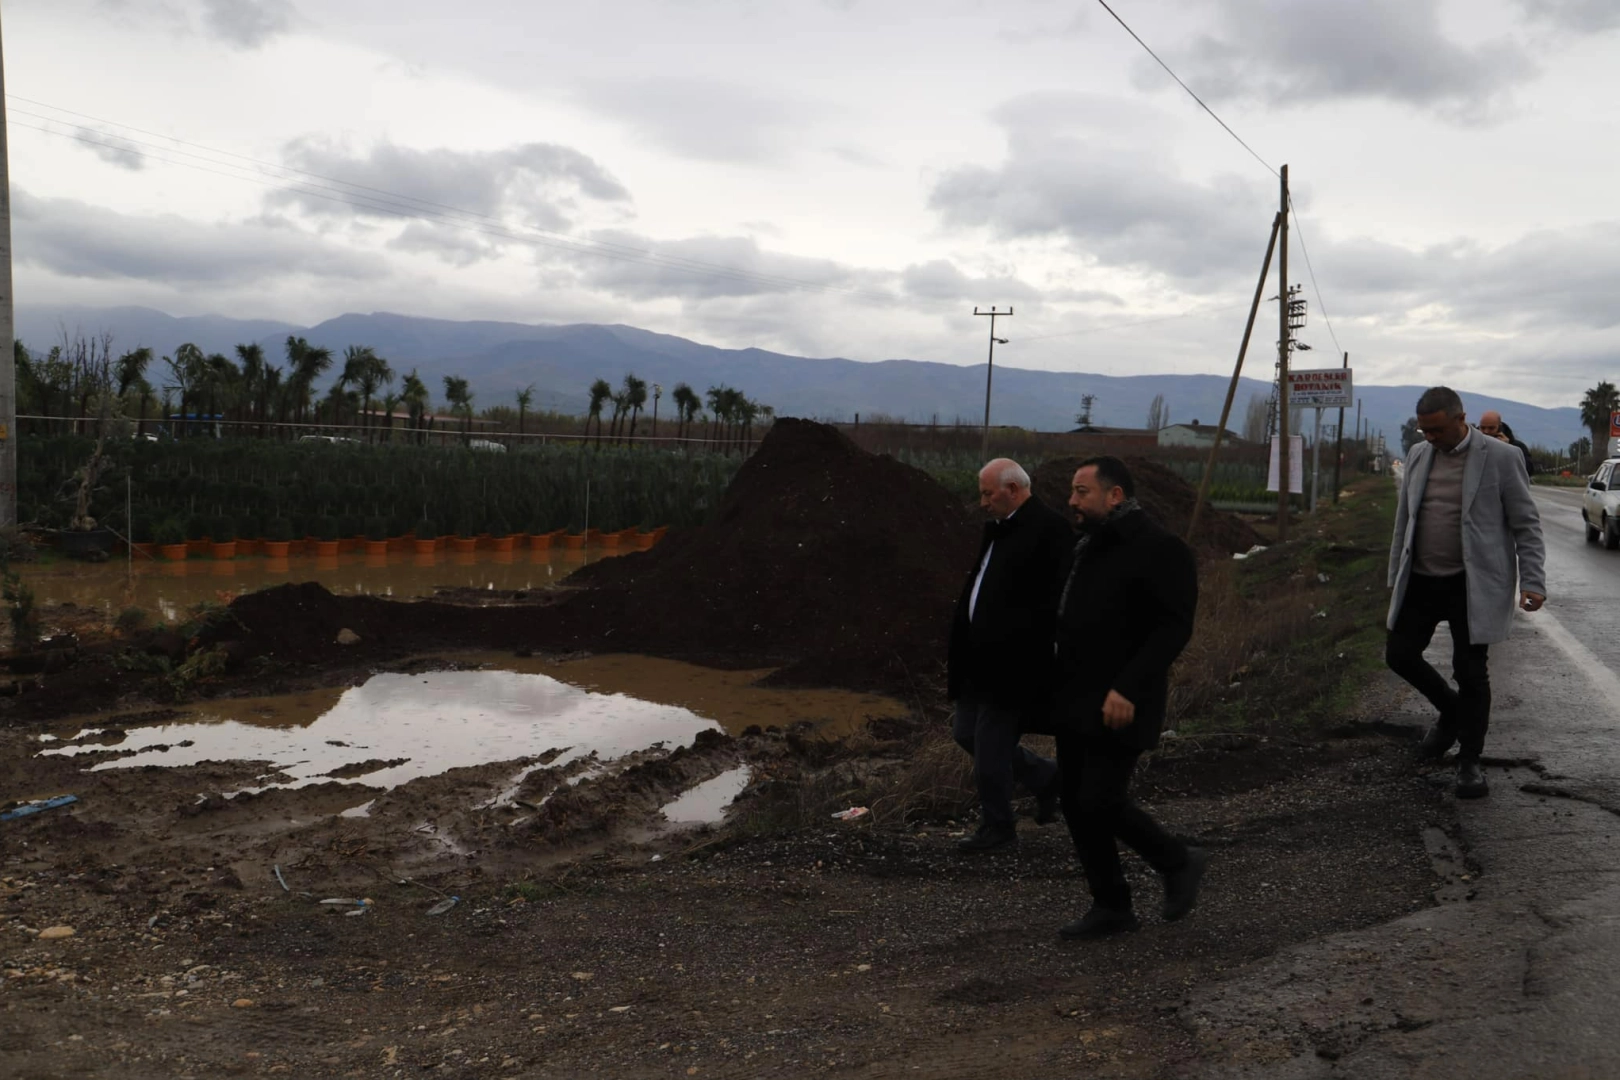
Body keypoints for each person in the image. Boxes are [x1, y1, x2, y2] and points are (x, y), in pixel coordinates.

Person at [1049, 456, 1207, 939]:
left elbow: (1173, 628)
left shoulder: (1160, 549)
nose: (1072, 501)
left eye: (1082, 492)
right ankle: (1112, 906)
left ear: (1115, 495)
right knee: (1075, 803)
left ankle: (1178, 861)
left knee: (1099, 798)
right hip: (1076, 698)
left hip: (1123, 701)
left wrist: (1128, 687)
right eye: (1073, 492)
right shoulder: (1089, 546)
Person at [1387, 387, 1546, 799]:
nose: (1430, 437)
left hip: (1471, 583)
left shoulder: (1502, 458)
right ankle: (1454, 713)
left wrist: (1533, 580)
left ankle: (1469, 761)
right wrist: (1394, 575)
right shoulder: (1420, 454)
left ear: (1462, 419)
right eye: (1424, 431)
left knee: (1471, 671)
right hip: (1422, 578)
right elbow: (1405, 518)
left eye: (1437, 429)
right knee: (1399, 654)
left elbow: (1526, 525)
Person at [946, 458, 1069, 853]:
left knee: (991, 745)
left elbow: (1056, 600)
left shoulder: (1049, 529)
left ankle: (998, 827)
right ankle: (1046, 777)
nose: (982, 502)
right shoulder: (999, 528)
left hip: (1012, 663)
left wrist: (1031, 647)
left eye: (987, 493)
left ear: (1013, 490)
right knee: (965, 732)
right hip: (977, 659)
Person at [1477, 410, 1533, 475]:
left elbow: (1528, 470)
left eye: (1491, 428)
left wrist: (1507, 449)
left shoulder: (1517, 447)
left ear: (1499, 427)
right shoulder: (1473, 444)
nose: (1486, 432)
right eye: (1483, 428)